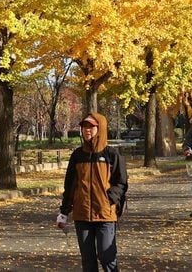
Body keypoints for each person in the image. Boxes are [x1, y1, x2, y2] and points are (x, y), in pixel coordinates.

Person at [56, 112, 128, 272]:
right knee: (88, 260)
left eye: (91, 127)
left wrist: (110, 199)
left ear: (100, 128)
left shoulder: (111, 154)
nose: (87, 130)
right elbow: (70, 185)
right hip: (82, 215)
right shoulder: (77, 155)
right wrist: (64, 212)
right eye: (84, 127)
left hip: (105, 214)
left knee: (106, 256)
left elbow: (121, 182)